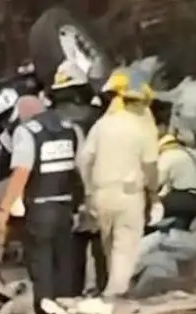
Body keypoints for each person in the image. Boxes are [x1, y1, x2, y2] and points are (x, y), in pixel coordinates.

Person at [0, 94, 80, 314]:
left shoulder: (26, 132)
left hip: (39, 209)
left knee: (42, 269)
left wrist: (4, 210)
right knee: (64, 267)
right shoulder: (70, 129)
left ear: (23, 114)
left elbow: (21, 173)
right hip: (65, 208)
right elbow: (77, 169)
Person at [77, 67, 160, 298]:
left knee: (108, 248)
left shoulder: (102, 125)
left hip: (102, 195)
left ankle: (107, 290)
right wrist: (154, 197)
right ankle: (115, 297)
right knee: (126, 248)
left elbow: (84, 160)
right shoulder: (143, 127)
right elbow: (150, 167)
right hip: (129, 194)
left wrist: (89, 191)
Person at [48, 60, 106, 296]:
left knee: (69, 258)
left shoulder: (47, 121)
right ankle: (108, 301)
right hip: (99, 192)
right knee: (104, 254)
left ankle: (69, 301)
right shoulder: (99, 118)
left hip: (63, 197)